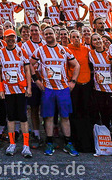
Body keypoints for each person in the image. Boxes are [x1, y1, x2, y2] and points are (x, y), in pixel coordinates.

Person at [30, 25, 80, 156]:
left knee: (65, 116)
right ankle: (49, 142)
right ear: (43, 35)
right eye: (46, 34)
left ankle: (68, 143)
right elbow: (30, 64)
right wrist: (36, 80)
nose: (48, 36)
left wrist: (73, 81)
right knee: (49, 117)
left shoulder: (64, 50)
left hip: (63, 88)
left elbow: (76, 65)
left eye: (50, 33)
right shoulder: (40, 50)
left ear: (55, 34)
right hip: (48, 89)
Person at [0, 29, 33, 157]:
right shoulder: (0, 53)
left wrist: (29, 87)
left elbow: (27, 70)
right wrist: (0, 89)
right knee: (10, 118)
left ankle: (26, 146)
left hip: (21, 90)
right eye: (8, 37)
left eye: (12, 37)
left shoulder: (22, 51)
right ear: (4, 39)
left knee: (23, 118)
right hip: (8, 91)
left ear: (16, 38)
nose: (10, 39)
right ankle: (12, 143)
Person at [87, 32, 112, 155]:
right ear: (92, 43)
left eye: (98, 39)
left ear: (102, 40)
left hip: (111, 88)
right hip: (98, 89)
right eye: (94, 40)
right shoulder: (90, 54)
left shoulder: (109, 53)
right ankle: (107, 138)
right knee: (103, 114)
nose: (97, 41)